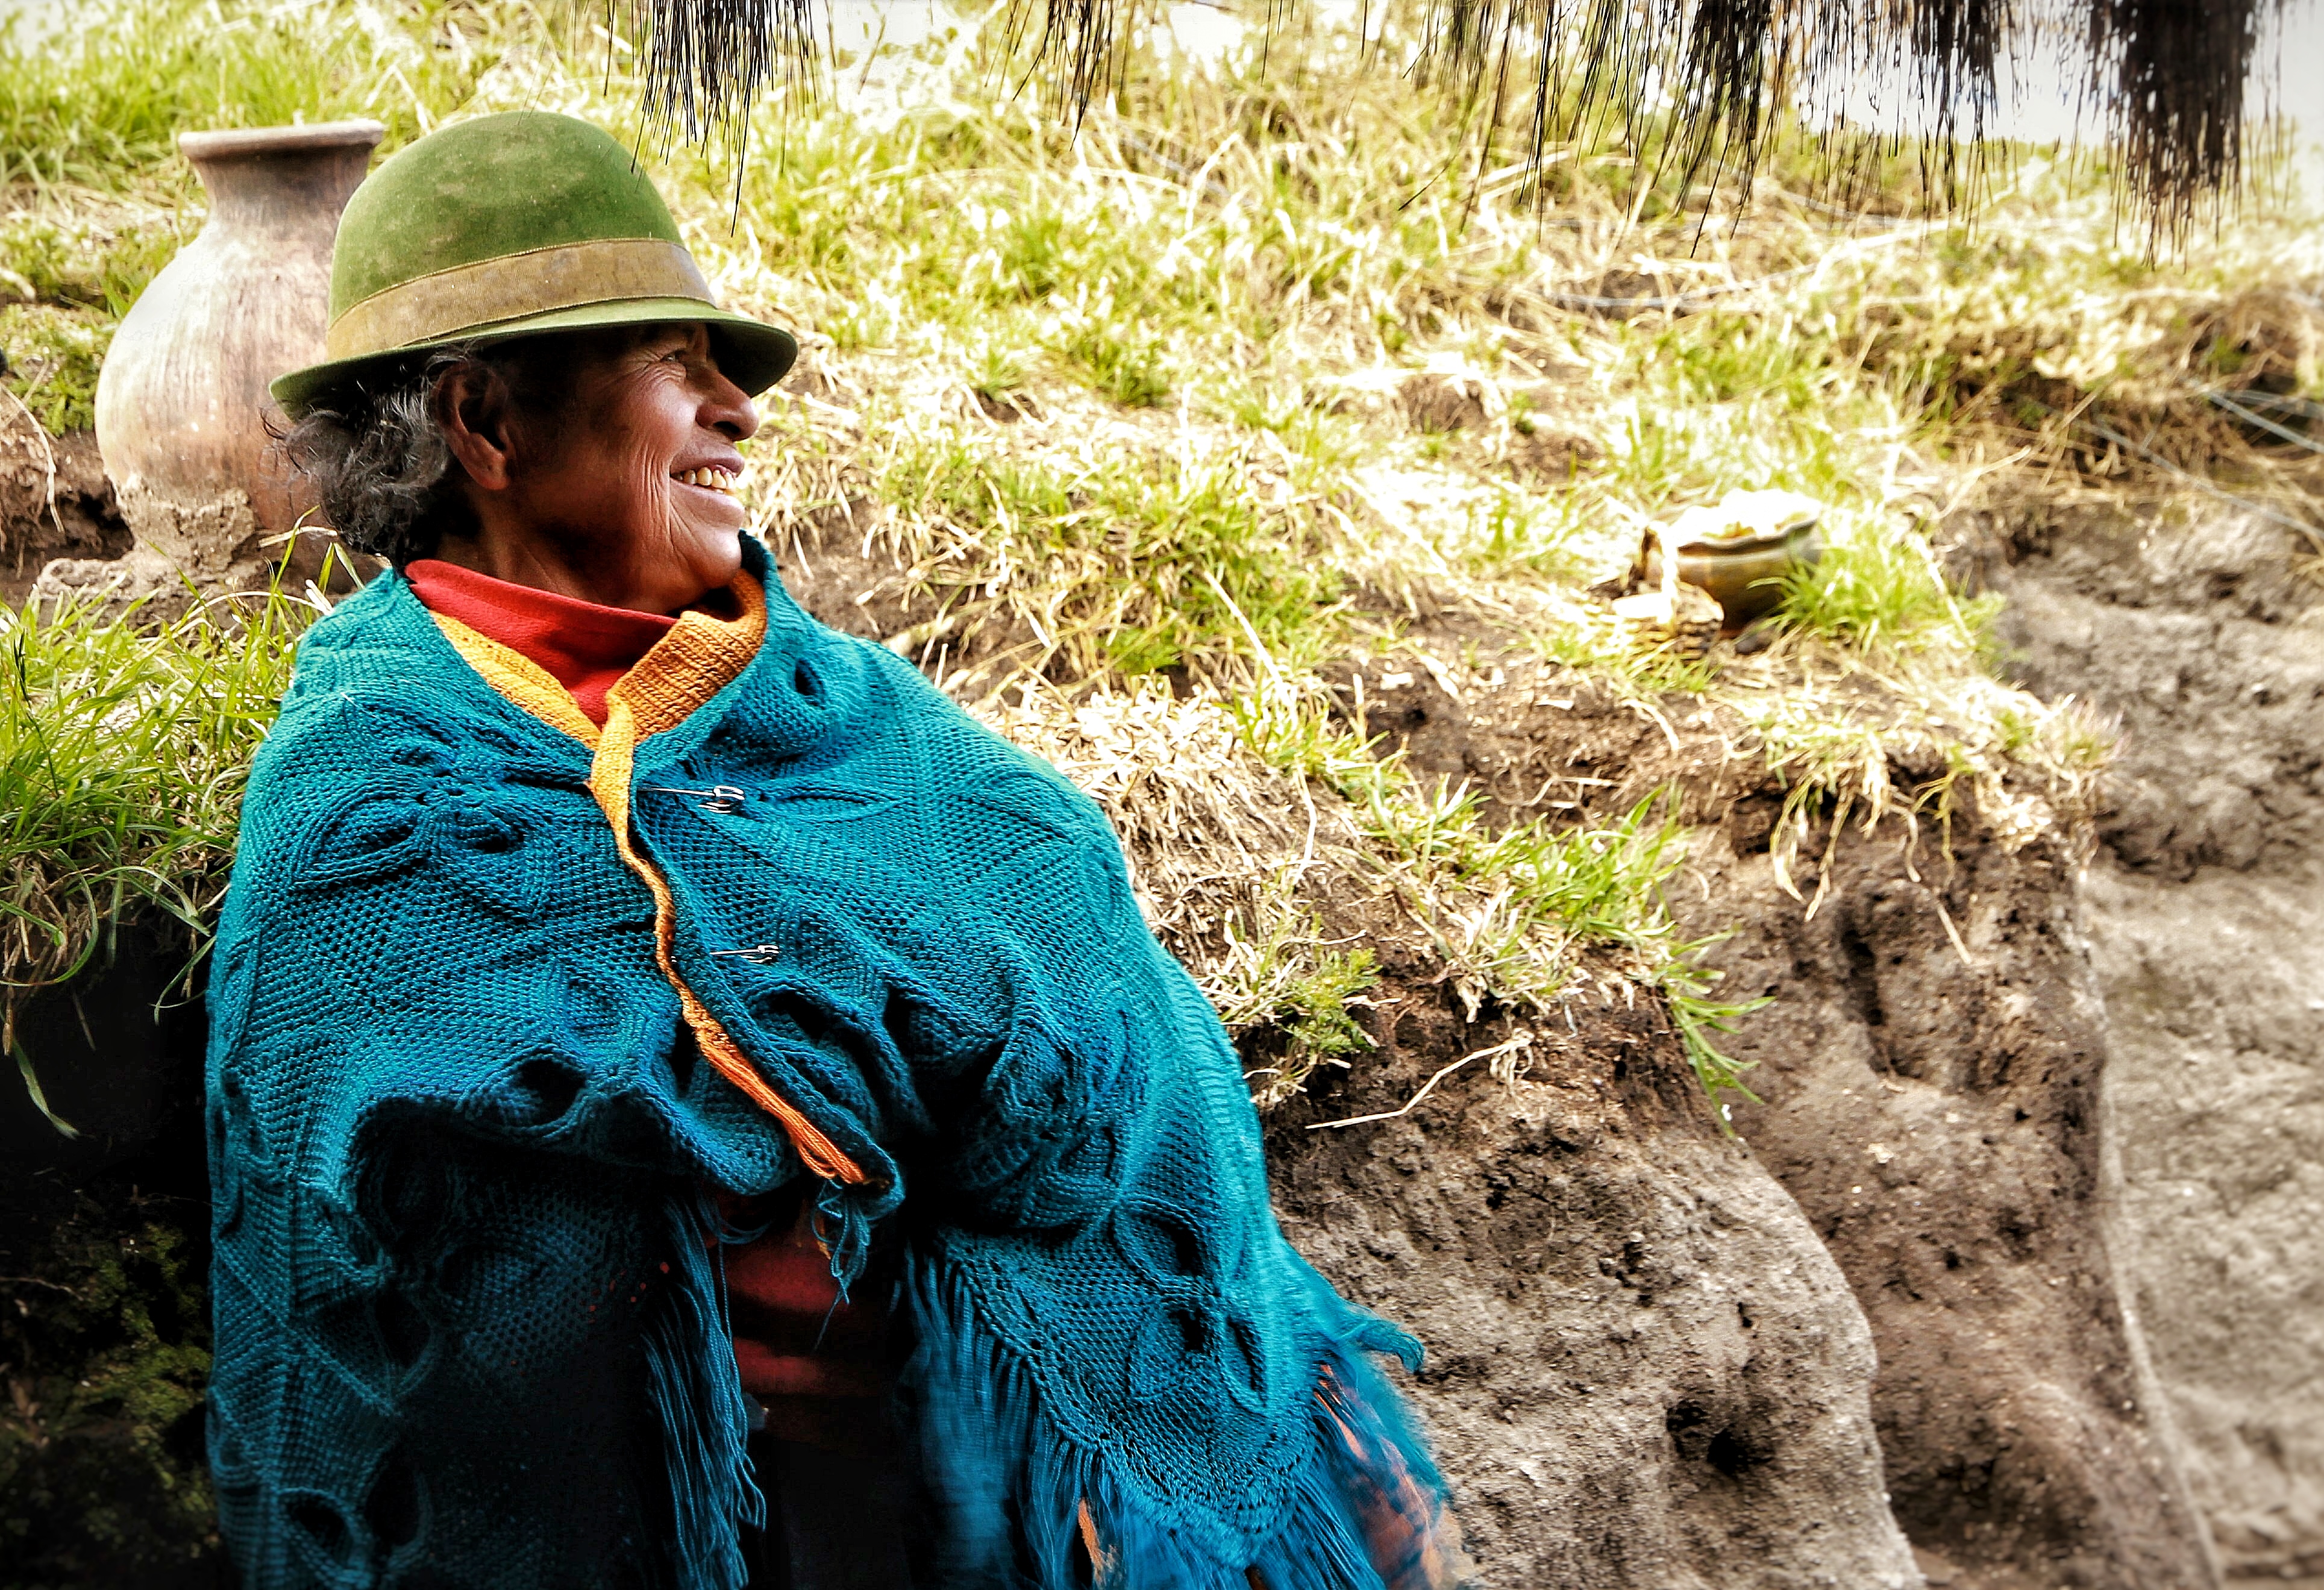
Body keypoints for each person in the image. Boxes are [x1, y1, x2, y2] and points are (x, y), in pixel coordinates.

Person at [211, 109, 1465, 1589]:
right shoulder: (376, 798)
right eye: (675, 368)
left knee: (1324, 1481)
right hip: (695, 1532)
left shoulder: (863, 725)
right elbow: (338, 1265)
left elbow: (1113, 1047)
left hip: (976, 1470)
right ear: (486, 423)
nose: (738, 405)